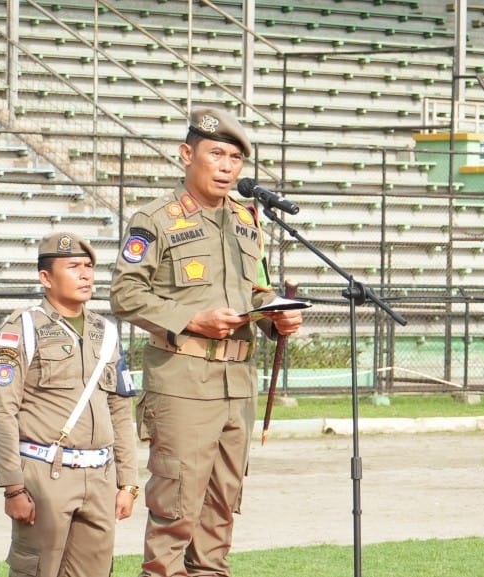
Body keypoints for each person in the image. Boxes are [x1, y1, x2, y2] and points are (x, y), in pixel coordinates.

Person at [110, 108, 303, 577]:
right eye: (216, 153)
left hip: (237, 384)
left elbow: (252, 289)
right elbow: (124, 292)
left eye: (236, 158)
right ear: (186, 155)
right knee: (175, 514)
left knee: (219, 517)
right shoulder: (155, 219)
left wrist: (274, 315)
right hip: (182, 381)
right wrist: (190, 319)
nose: (227, 166)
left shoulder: (246, 219)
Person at [0, 231, 139, 577]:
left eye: (88, 267)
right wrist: (13, 486)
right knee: (39, 570)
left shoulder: (106, 331)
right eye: (73, 267)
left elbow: (120, 409)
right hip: (45, 475)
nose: (86, 275)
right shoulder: (22, 329)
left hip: (100, 477)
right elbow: (2, 412)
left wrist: (128, 481)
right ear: (46, 278)